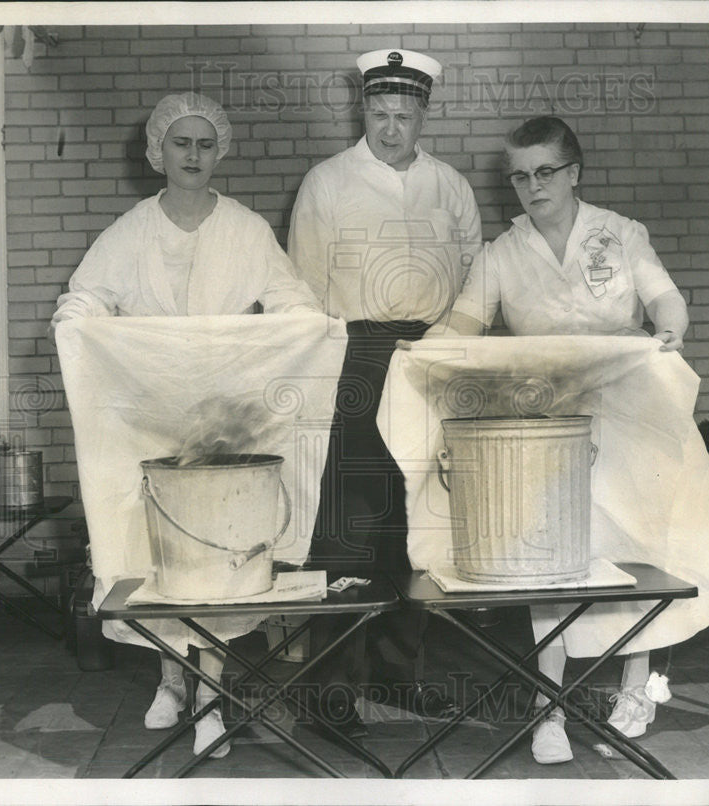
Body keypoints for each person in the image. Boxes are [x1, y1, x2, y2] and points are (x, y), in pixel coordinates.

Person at [52, 92, 321, 759]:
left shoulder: (246, 230)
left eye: (205, 144)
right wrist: (77, 327)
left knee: (215, 551)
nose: (193, 155)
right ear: (159, 152)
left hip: (227, 421)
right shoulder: (130, 231)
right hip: (151, 413)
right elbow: (83, 297)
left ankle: (208, 695)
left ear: (219, 150)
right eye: (181, 143)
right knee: (157, 552)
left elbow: (293, 301)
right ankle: (170, 677)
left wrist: (298, 332)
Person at [430, 116, 694, 764]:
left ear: (573, 172)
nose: (530, 186)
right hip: (547, 425)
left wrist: (667, 328)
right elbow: (463, 320)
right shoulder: (500, 254)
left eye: (544, 171)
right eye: (519, 176)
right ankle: (549, 707)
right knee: (550, 556)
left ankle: (635, 690)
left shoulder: (622, 235)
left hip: (628, 411)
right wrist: (426, 349)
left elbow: (668, 302)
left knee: (636, 551)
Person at [287, 49, 482, 737]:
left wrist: (447, 354)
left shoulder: (450, 187)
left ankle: (400, 676)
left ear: (424, 113)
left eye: (404, 115)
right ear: (361, 109)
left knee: (416, 519)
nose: (391, 127)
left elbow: (470, 282)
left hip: (429, 355)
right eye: (379, 113)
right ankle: (331, 690)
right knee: (350, 524)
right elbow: (303, 292)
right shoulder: (327, 182)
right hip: (355, 356)